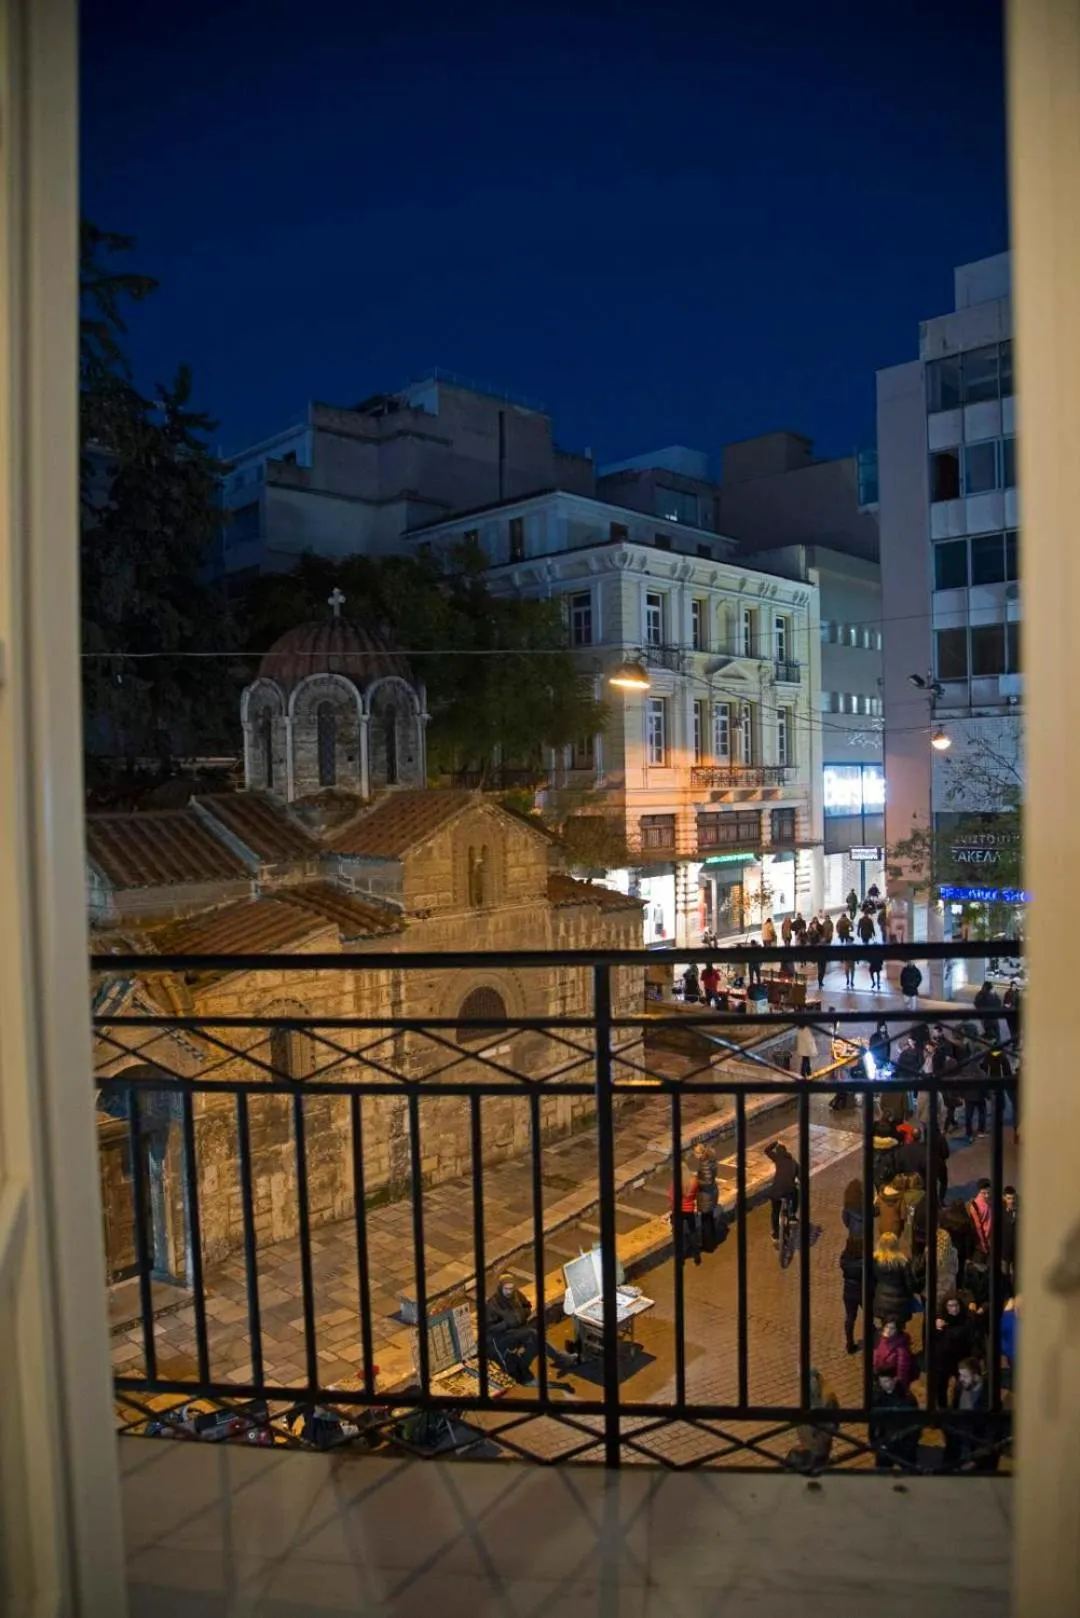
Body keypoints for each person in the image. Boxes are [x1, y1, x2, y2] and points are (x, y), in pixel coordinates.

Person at [485, 1275, 571, 1384]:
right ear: (500, 1287)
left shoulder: (517, 1295)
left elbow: (528, 1307)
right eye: (506, 1288)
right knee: (533, 1334)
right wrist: (506, 1323)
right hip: (504, 1336)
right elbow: (490, 1329)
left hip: (520, 1330)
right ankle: (560, 1357)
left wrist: (521, 1315)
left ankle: (522, 1367)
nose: (509, 1291)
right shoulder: (492, 1305)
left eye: (511, 1288)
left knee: (536, 1344)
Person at [945, 1359, 999, 1472]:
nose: (961, 1379)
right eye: (960, 1375)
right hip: (960, 1443)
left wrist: (977, 1459)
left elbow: (991, 1431)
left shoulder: (989, 1396)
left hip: (977, 1448)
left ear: (976, 1376)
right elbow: (953, 1413)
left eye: (965, 1376)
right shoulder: (960, 1388)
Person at [930, 1290, 981, 1408]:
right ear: (946, 1307)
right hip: (944, 1360)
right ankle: (942, 1411)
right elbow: (933, 1341)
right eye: (950, 1306)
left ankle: (956, 1410)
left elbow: (973, 1339)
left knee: (961, 1387)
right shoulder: (939, 1320)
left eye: (956, 1305)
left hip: (961, 1358)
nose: (954, 1309)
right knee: (940, 1386)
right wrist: (937, 1329)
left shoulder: (967, 1319)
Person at [786, 1367, 839, 1471]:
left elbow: (829, 1430)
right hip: (811, 1443)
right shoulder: (812, 1393)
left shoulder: (827, 1398)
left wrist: (815, 1448)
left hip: (818, 1446)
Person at [870, 1371, 922, 1470]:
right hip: (884, 1442)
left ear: (894, 1380)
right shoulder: (877, 1396)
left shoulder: (907, 1399)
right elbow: (873, 1422)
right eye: (881, 1382)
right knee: (882, 1472)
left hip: (903, 1444)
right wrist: (874, 1441)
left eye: (886, 1381)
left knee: (908, 1472)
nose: (882, 1385)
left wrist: (910, 1445)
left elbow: (916, 1424)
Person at [872, 1230, 916, 1326]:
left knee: (885, 1329)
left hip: (882, 1301)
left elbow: (871, 1280)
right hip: (900, 1303)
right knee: (899, 1329)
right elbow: (910, 1284)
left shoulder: (875, 1260)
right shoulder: (903, 1262)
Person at [764, 1139, 800, 1245]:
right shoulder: (794, 1162)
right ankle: (792, 1215)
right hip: (789, 1190)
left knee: (775, 1212)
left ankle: (775, 1234)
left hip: (776, 1190)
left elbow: (766, 1150)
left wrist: (775, 1142)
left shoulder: (778, 1157)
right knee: (795, 1194)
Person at [668, 1155, 702, 1265]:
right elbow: (696, 1194)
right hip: (689, 1210)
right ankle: (696, 1255)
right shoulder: (694, 1180)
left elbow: (672, 1198)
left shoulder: (676, 1183)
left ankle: (681, 1258)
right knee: (692, 1233)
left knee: (679, 1235)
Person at [693, 1142, 725, 1252]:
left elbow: (707, 1181)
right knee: (709, 1219)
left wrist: (696, 1181)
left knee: (706, 1221)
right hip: (712, 1193)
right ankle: (711, 1242)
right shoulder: (711, 1160)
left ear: (699, 1153)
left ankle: (708, 1246)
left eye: (695, 1153)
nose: (695, 1156)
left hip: (706, 1196)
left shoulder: (704, 1163)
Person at [872, 1316, 917, 1390]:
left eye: (892, 1328)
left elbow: (902, 1373)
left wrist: (899, 1389)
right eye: (886, 1327)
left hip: (891, 1385)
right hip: (880, 1379)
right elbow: (876, 1356)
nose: (888, 1330)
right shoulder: (881, 1340)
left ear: (897, 1331)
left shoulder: (901, 1350)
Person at [840, 1235, 865, 1354]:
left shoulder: (844, 1259)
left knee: (850, 1318)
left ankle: (849, 1342)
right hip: (862, 1291)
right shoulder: (863, 1263)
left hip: (848, 1291)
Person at [974, 979, 1003, 1044]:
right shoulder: (994, 995)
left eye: (983, 987)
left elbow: (977, 1004)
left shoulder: (982, 995)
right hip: (994, 1018)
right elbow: (999, 1004)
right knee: (996, 1033)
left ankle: (993, 1046)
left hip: (987, 1019)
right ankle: (998, 1044)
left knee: (991, 1034)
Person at [1001, 1186, 1019, 1288]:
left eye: (1012, 1198)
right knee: (1004, 1276)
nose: (1011, 1201)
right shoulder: (1000, 1213)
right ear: (1004, 1198)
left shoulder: (1020, 1212)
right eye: (1009, 1198)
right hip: (1004, 1250)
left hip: (1017, 1250)